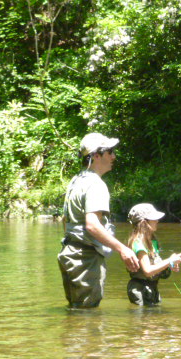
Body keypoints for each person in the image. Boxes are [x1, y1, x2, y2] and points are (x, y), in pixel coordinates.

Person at [58, 132, 140, 308]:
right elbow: (92, 225)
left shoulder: (76, 180)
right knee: (86, 318)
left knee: (77, 314)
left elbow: (65, 220)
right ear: (96, 155)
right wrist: (123, 249)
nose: (114, 156)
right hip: (85, 259)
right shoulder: (96, 184)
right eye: (109, 152)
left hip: (69, 255)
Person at [126, 203, 181, 306]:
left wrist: (171, 265)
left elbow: (156, 266)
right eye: (154, 219)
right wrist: (169, 261)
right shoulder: (138, 243)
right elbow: (148, 271)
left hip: (152, 289)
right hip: (141, 290)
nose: (157, 221)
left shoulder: (153, 242)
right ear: (144, 222)